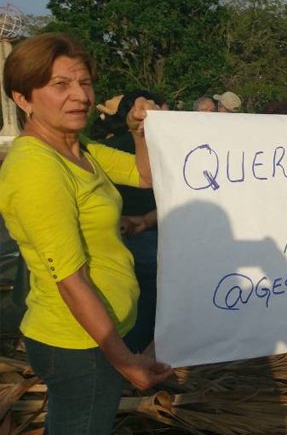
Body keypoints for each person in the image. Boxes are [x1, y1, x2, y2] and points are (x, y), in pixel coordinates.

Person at [0, 33, 172, 434]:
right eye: (60, 84)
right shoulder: (36, 168)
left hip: (99, 336)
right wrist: (124, 360)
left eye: (85, 82)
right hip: (80, 344)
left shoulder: (80, 148)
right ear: (23, 99)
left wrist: (138, 130)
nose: (80, 95)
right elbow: (70, 279)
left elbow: (145, 176)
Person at [93, 90, 168, 353]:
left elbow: (144, 176)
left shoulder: (98, 149)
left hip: (128, 237)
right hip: (148, 239)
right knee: (150, 301)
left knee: (138, 303)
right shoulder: (92, 152)